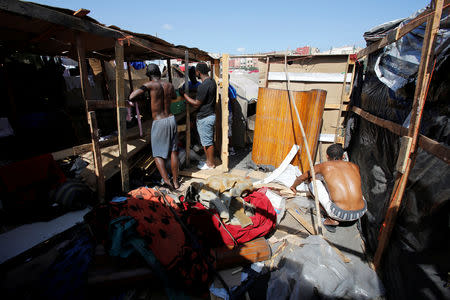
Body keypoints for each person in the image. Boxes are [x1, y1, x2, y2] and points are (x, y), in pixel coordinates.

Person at [290, 144, 367, 232]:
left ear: (327, 156)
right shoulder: (354, 166)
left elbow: (301, 178)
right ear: (343, 156)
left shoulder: (323, 166)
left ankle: (330, 219)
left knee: (312, 180)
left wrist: (293, 186)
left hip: (339, 214)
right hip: (360, 212)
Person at [128, 64, 180, 189]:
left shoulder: (150, 85)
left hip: (159, 121)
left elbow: (132, 96)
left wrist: (146, 93)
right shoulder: (169, 85)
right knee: (173, 151)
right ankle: (176, 182)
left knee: (157, 154)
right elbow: (174, 96)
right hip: (171, 119)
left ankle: (167, 181)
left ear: (149, 75)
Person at [182, 62, 216, 170]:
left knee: (208, 142)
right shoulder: (211, 82)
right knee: (206, 141)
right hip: (209, 114)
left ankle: (210, 164)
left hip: (205, 117)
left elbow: (196, 103)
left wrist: (185, 95)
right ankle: (208, 161)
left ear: (198, 72)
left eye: (196, 71)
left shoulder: (203, 85)